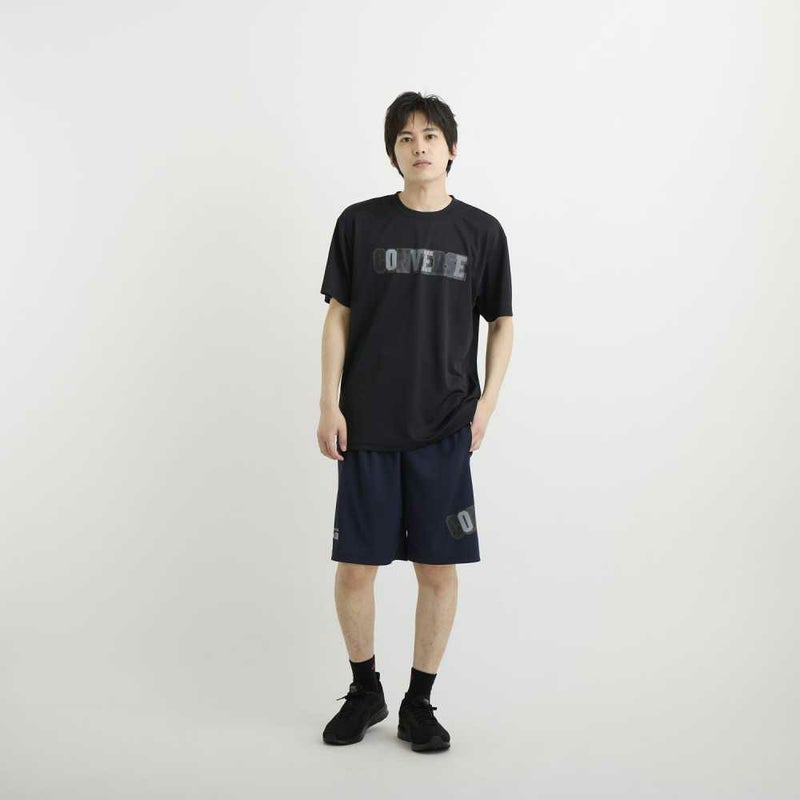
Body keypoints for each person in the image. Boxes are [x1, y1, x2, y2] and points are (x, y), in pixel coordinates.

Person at [317, 91, 514, 752]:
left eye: (430, 135)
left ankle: (419, 702)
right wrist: (328, 402)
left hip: (443, 427)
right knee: (355, 569)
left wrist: (487, 404)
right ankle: (365, 691)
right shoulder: (360, 223)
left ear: (451, 148)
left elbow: (503, 320)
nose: (419, 146)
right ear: (393, 153)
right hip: (367, 425)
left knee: (437, 569)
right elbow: (339, 315)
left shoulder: (481, 232)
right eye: (405, 138)